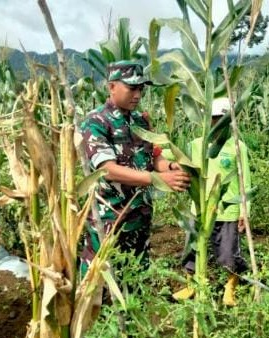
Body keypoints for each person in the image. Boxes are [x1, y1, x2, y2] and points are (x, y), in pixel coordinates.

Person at [79, 60, 190, 276]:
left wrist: (170, 166)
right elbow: (107, 170)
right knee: (102, 278)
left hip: (140, 215)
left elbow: (152, 156)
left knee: (136, 277)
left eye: (141, 88)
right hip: (112, 217)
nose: (138, 94)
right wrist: (157, 180)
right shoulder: (97, 122)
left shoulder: (140, 120)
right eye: (132, 88)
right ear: (112, 86)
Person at [173, 97, 251, 306]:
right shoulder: (195, 146)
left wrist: (245, 209)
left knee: (228, 252)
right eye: (213, 119)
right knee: (191, 250)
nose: (216, 124)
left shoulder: (237, 146)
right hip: (198, 209)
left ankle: (229, 288)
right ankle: (192, 285)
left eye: (221, 119)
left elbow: (245, 180)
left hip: (227, 209)